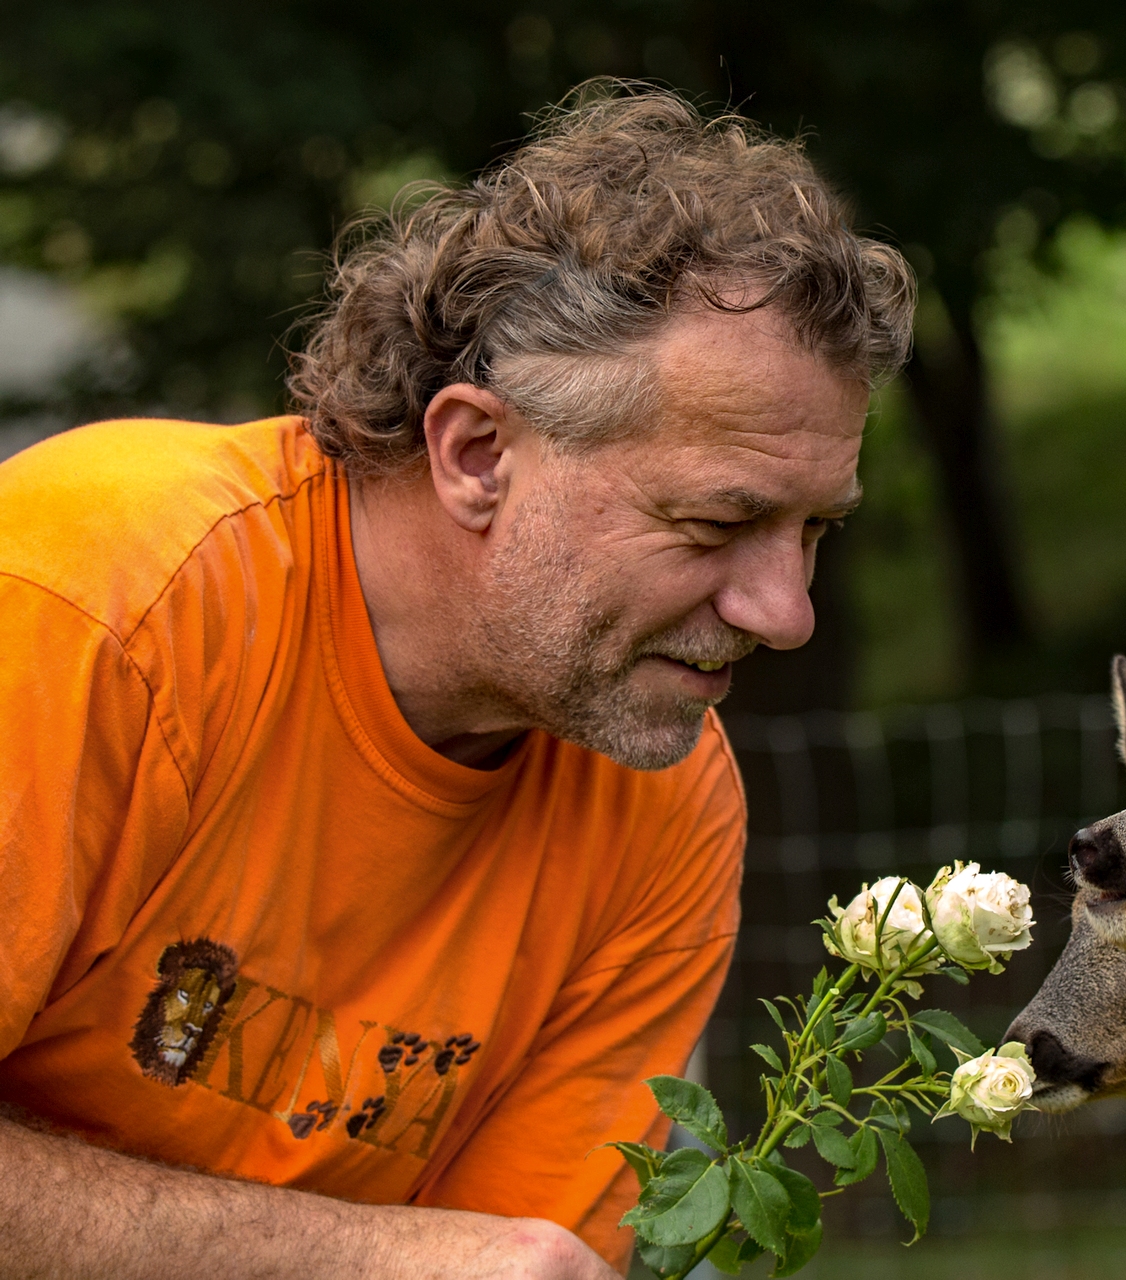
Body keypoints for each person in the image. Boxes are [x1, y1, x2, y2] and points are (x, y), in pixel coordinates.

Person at [0, 86, 914, 1279]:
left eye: (813, 531)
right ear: (478, 454)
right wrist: (357, 1259)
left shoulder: (665, 802)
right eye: (715, 520)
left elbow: (517, 1256)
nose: (782, 612)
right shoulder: (95, 595)